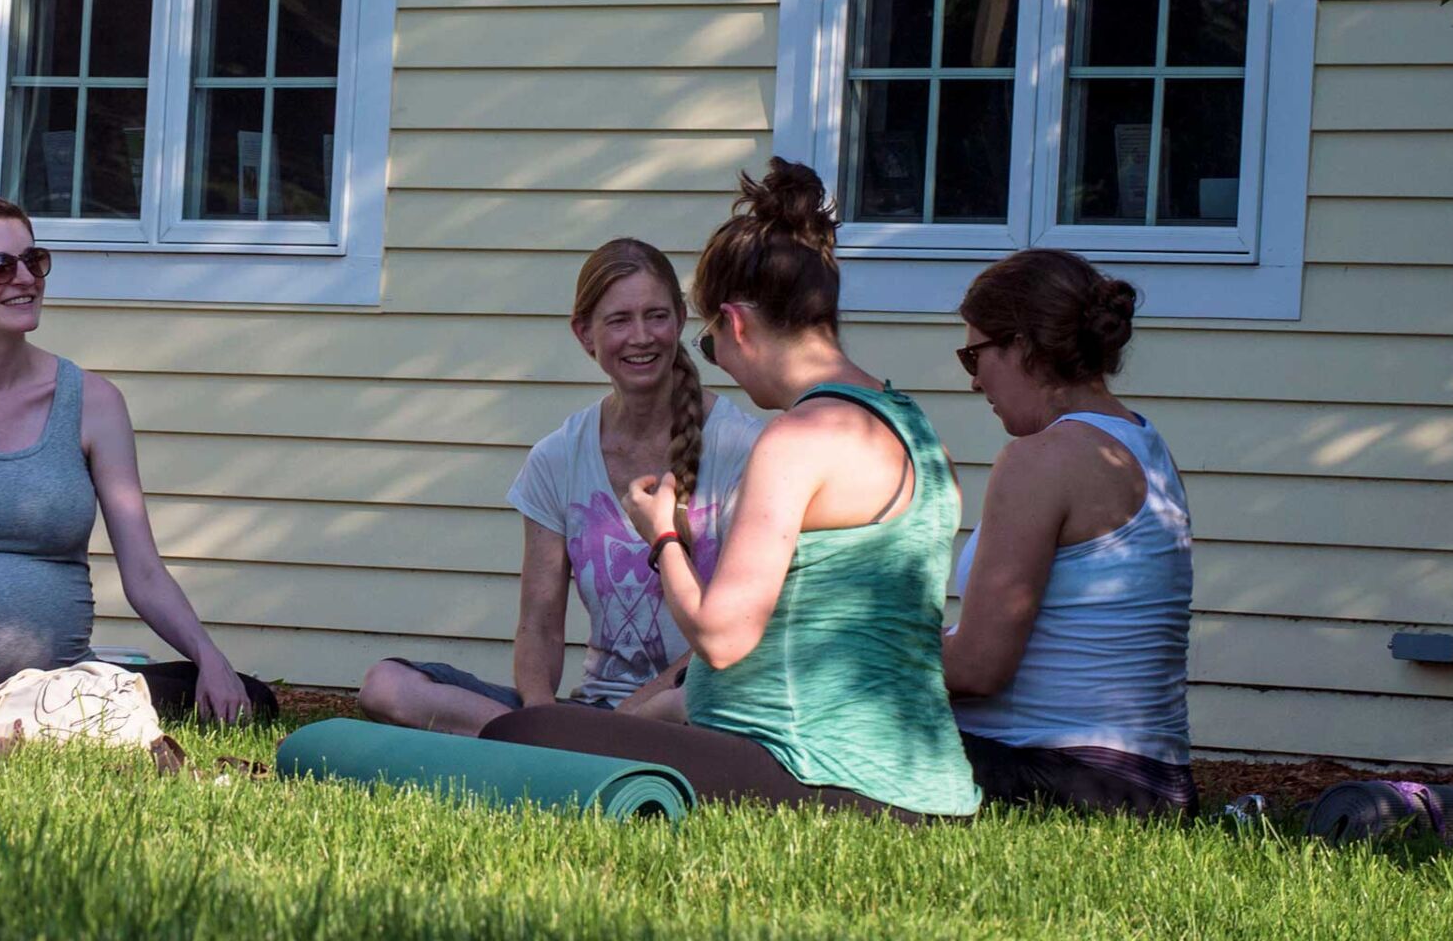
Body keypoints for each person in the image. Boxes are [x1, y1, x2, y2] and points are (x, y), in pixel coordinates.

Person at [480, 160, 982, 821]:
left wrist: (662, 535)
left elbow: (721, 638)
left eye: (712, 347)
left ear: (737, 324)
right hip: (930, 784)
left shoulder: (795, 441)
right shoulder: (917, 429)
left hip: (820, 775)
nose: (722, 367)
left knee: (519, 736)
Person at [0, 191, 275, 723]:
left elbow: (143, 571)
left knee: (249, 698)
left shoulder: (93, 403)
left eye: (33, 260)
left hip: (61, 681)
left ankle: (25, 717)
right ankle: (2, 717)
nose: (25, 277)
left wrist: (210, 658)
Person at [356, 239, 763, 735]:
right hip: (588, 715)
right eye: (618, 320)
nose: (641, 337)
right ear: (584, 334)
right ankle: (564, 747)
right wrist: (541, 715)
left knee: (681, 708)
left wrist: (626, 718)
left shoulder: (742, 448)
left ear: (679, 321)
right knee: (386, 686)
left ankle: (578, 747)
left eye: (656, 316)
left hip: (687, 701)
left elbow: (732, 636)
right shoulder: (556, 458)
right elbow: (539, 627)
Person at [942, 250, 1198, 815]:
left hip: (1056, 777)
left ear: (1023, 347)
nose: (973, 380)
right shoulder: (1141, 442)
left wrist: (851, 654)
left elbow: (977, 668)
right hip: (1151, 784)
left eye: (973, 355)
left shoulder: (1042, 458)